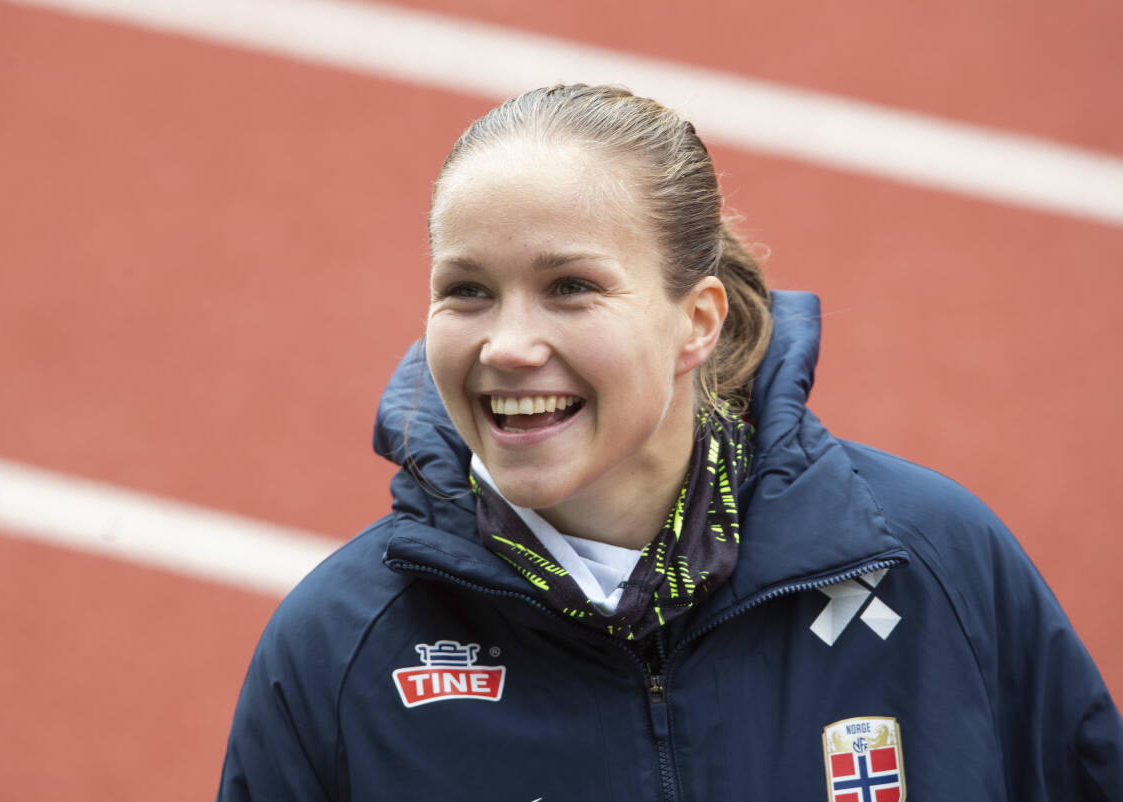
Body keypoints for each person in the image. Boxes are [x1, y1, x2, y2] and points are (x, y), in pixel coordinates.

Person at [217, 84, 1122, 800]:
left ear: (695, 322)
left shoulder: (932, 565)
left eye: (570, 286)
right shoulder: (339, 650)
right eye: (467, 290)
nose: (507, 345)